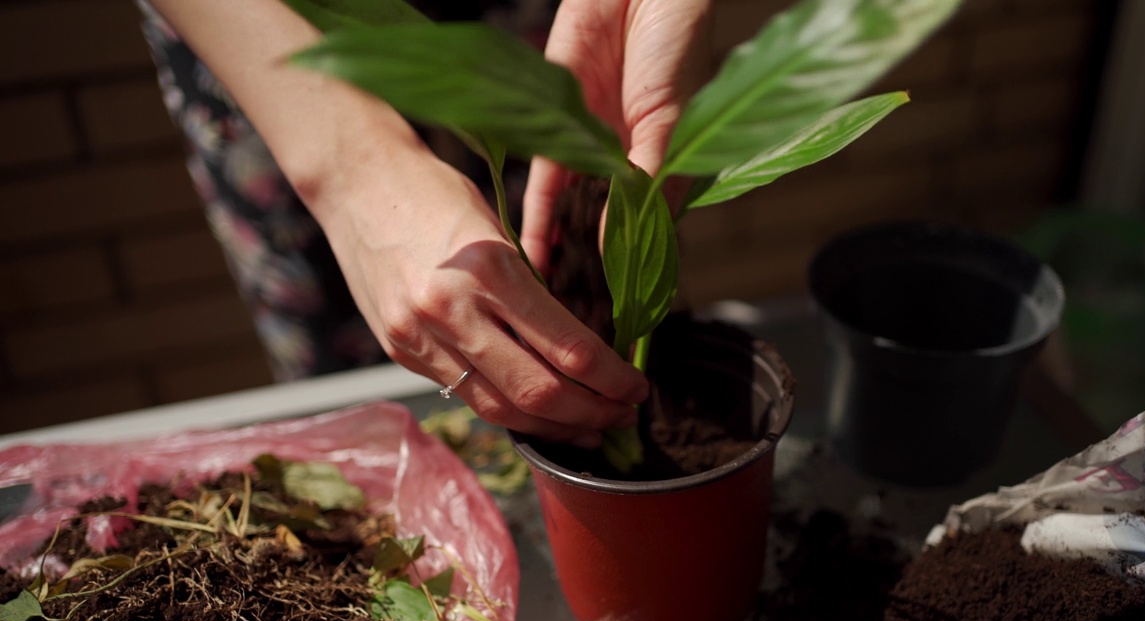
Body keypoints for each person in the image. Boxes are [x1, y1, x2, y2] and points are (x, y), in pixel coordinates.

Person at [135, 0, 713, 448]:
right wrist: (349, 175)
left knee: (590, 258)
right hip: (262, 45)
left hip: (535, 15)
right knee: (374, 350)